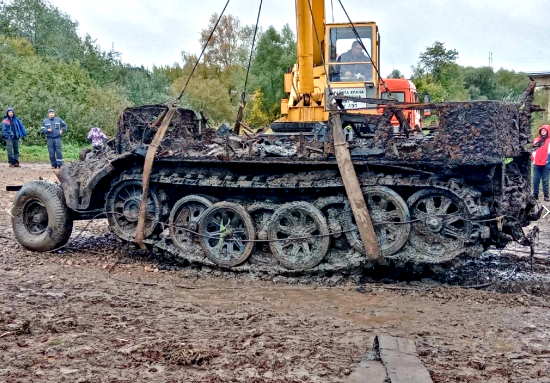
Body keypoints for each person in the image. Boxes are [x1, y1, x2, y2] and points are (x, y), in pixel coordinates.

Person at [532, 125, 550, 201]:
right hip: (536, 164)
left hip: (546, 164)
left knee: (545, 180)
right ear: (540, 131)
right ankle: (535, 195)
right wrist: (532, 159)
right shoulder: (536, 140)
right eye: (542, 130)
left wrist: (548, 161)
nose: (543, 132)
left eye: (545, 130)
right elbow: (532, 150)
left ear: (548, 132)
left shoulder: (549, 140)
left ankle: (546, 196)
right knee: (535, 180)